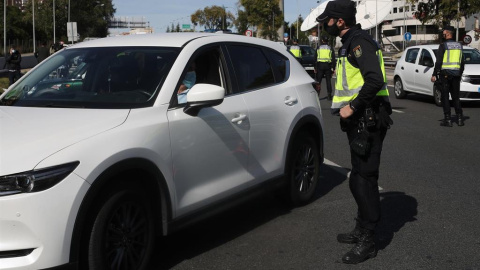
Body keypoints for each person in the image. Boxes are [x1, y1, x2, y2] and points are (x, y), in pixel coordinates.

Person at [316, 0, 393, 264]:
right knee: (358, 176)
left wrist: (353, 106)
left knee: (364, 179)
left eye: (328, 20)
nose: (324, 25)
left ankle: (368, 240)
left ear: (340, 21)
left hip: (368, 118)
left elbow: (375, 79)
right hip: (360, 120)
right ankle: (361, 227)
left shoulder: (360, 43)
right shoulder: (349, 43)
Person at [430, 25, 465, 127]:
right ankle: (459, 119)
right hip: (456, 75)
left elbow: (439, 62)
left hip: (445, 75)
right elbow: (462, 62)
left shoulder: (443, 45)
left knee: (445, 97)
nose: (443, 34)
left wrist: (434, 74)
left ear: (448, 33)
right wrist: (460, 73)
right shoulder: (459, 45)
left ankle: (448, 119)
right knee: (456, 97)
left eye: (444, 32)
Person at [315, 35, 336, 100]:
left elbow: (315, 58)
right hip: (328, 66)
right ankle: (329, 95)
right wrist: (333, 68)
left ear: (322, 40)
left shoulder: (318, 48)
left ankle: (317, 95)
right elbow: (333, 59)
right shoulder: (330, 48)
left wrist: (315, 67)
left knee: (318, 81)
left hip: (320, 66)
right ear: (327, 41)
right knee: (328, 81)